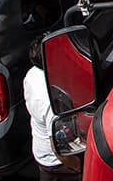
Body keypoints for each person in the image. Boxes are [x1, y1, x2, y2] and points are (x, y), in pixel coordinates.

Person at [23, 40, 81, 181]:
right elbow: (59, 148)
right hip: (58, 164)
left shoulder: (32, 74)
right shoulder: (52, 101)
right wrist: (79, 167)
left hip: (41, 153)